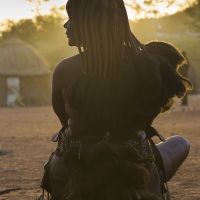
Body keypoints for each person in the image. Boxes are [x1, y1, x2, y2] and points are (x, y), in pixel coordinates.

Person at [39, 0, 192, 199]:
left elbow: (63, 120)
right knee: (181, 142)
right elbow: (145, 121)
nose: (66, 25)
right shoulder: (147, 65)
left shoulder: (65, 70)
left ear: (90, 23)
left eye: (72, 18)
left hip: (75, 168)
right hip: (132, 166)